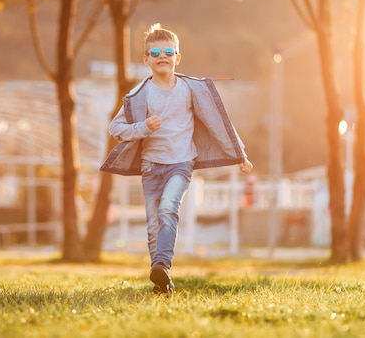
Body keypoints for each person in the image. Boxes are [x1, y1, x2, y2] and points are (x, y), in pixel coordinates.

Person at [100, 23, 253, 294]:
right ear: (145, 59)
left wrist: (239, 154)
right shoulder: (140, 94)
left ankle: (163, 264)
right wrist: (143, 127)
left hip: (181, 163)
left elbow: (219, 122)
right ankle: (160, 279)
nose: (163, 56)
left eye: (169, 51)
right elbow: (115, 129)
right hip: (150, 166)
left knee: (168, 208)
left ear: (178, 58)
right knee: (153, 225)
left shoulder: (189, 89)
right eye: (155, 52)